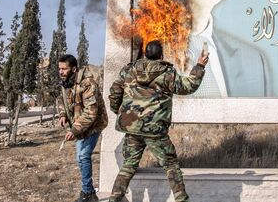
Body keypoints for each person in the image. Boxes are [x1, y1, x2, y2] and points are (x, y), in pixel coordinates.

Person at [108, 40, 209, 202]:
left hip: (132, 127)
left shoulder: (129, 70)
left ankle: (114, 198)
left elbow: (114, 93)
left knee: (128, 165)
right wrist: (199, 66)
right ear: (161, 55)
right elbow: (188, 86)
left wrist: (121, 113)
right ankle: (182, 199)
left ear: (145, 54)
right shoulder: (167, 73)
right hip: (155, 130)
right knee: (170, 165)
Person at [57, 54, 108, 202]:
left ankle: (87, 193)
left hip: (93, 124)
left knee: (83, 156)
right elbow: (62, 99)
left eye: (64, 69)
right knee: (80, 158)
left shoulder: (88, 84)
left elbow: (91, 113)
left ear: (74, 69)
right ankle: (90, 192)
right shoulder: (66, 82)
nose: (61, 72)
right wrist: (63, 115)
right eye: (59, 69)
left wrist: (74, 130)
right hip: (80, 124)